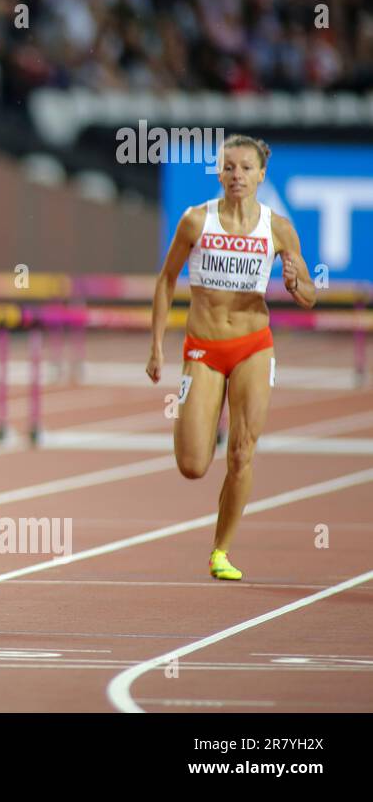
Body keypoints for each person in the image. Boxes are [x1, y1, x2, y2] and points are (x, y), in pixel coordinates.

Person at [148, 135, 315, 581]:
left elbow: (309, 297)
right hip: (203, 349)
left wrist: (297, 280)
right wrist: (155, 347)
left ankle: (220, 551)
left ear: (261, 175)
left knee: (242, 453)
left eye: (245, 168)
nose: (236, 175)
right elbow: (166, 281)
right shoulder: (195, 221)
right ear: (219, 174)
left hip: (253, 347)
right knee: (193, 465)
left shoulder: (278, 228)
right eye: (229, 167)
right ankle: (203, 419)